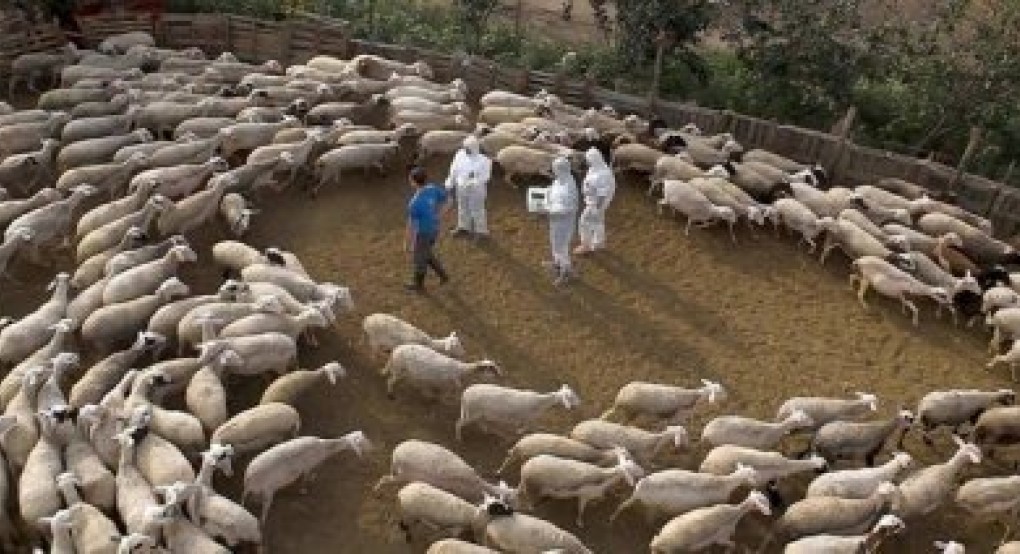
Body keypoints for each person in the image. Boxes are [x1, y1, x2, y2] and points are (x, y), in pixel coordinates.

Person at [405, 166, 449, 293]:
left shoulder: (415, 203)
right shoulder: (433, 189)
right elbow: (449, 200)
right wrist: (439, 215)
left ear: (413, 182)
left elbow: (412, 226)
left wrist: (408, 242)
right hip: (434, 229)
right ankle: (443, 275)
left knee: (419, 259)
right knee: (426, 253)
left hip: (423, 233)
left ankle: (418, 285)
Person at [445, 135, 492, 238]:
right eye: (464, 147)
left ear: (474, 148)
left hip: (476, 190)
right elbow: (454, 169)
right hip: (461, 187)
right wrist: (450, 182)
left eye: (468, 148)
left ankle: (481, 231)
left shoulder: (484, 161)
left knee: (477, 209)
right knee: (462, 207)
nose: (465, 150)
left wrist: (473, 183)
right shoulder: (459, 155)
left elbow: (486, 176)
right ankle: (463, 227)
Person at [575, 147, 616, 255]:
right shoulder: (597, 168)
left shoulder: (603, 174)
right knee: (598, 222)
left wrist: (597, 207)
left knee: (584, 222)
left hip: (596, 203)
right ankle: (599, 244)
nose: (587, 162)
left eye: (588, 159)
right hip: (594, 201)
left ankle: (586, 245)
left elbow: (603, 193)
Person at [545, 156, 579, 286]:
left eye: (555, 169)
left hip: (564, 222)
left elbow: (569, 208)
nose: (553, 171)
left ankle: (566, 272)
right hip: (555, 219)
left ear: (561, 169)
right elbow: (552, 191)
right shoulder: (559, 181)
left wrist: (549, 212)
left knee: (562, 247)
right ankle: (557, 263)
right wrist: (545, 195)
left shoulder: (569, 187)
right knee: (555, 242)